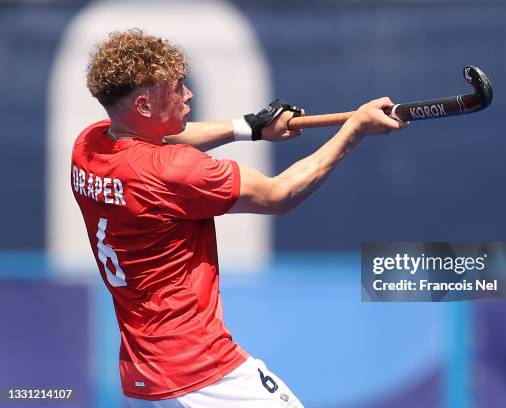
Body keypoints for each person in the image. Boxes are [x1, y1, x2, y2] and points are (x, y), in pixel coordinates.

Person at [71, 29, 406, 408]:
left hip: (142, 380)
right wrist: (355, 130)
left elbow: (162, 140)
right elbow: (280, 193)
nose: (189, 95)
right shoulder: (174, 172)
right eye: (177, 87)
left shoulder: (89, 145)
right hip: (202, 374)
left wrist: (251, 126)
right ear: (145, 106)